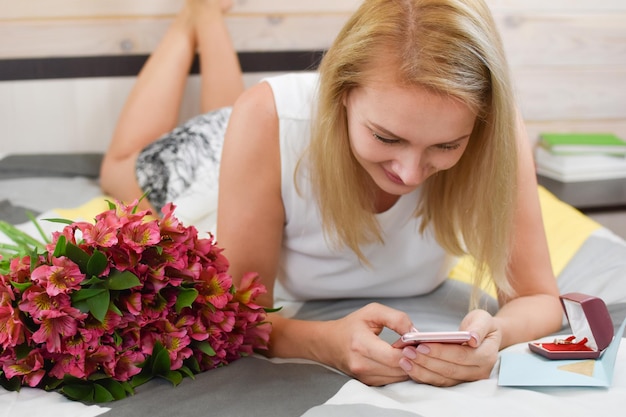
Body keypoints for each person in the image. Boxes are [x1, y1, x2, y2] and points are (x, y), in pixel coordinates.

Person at [100, 0, 562, 387]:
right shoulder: (270, 118)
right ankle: (197, 17)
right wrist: (326, 343)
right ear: (340, 92)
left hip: (255, 141)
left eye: (446, 146)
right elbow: (237, 317)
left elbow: (540, 298)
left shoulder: (498, 132)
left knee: (234, 115)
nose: (410, 173)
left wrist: (497, 332)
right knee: (120, 170)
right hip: (218, 164)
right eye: (386, 138)